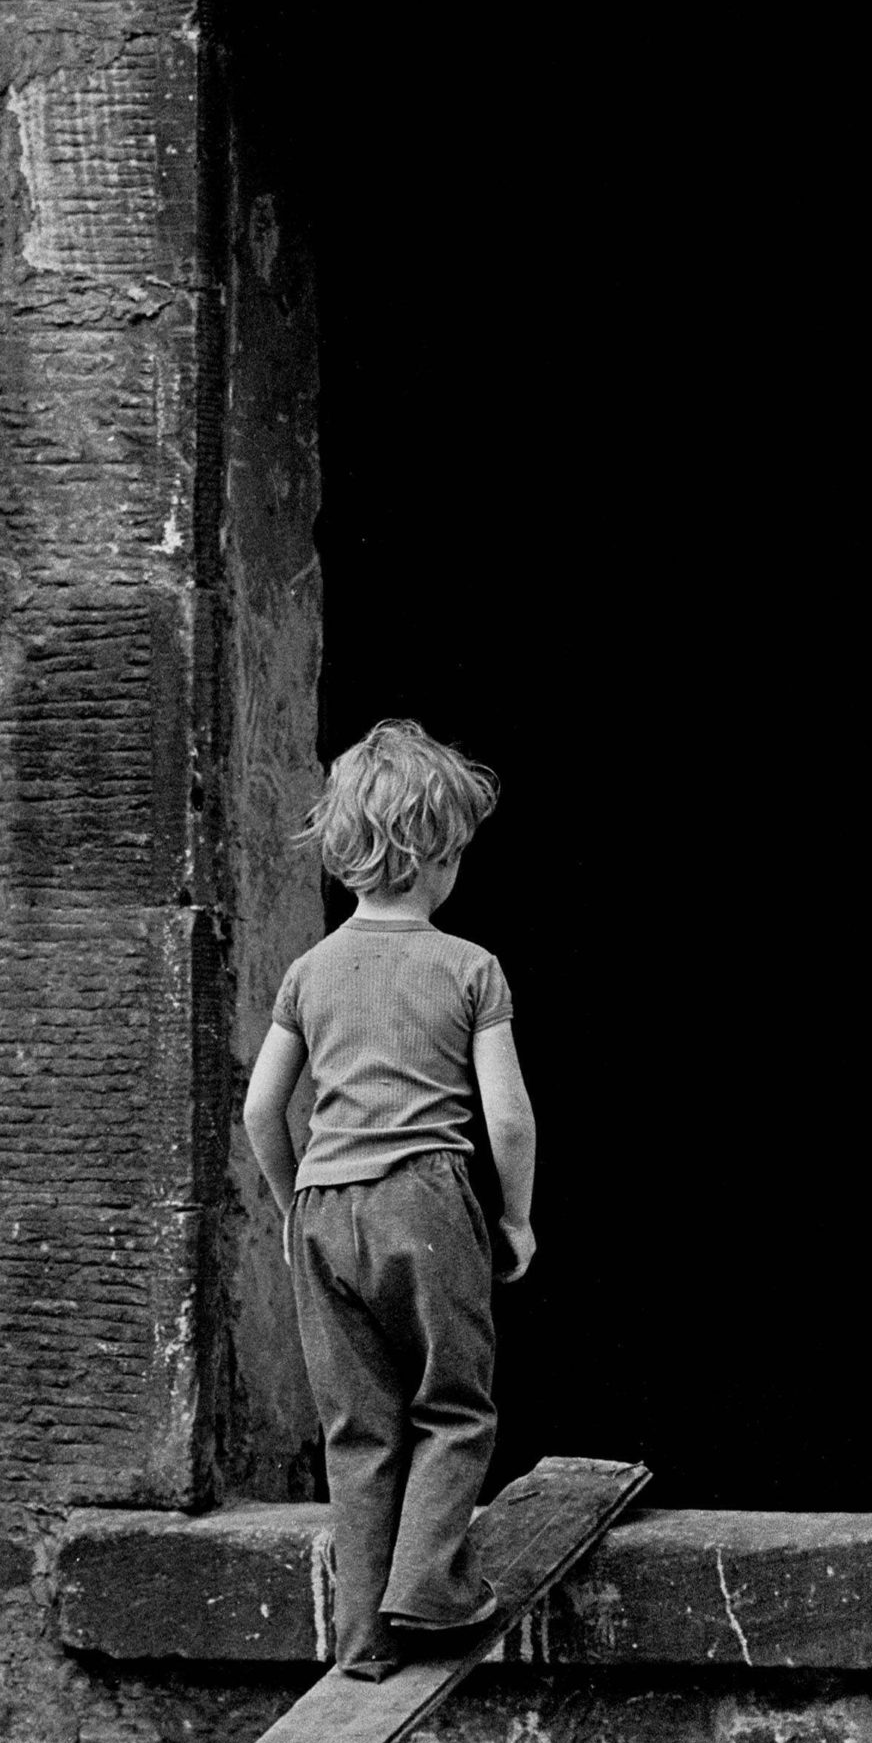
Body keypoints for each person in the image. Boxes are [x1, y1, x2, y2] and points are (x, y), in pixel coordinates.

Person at [243, 719, 537, 1679]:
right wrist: (516, 1215)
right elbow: (509, 1121)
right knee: (453, 1407)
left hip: (326, 1205)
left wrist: (296, 1201)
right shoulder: (469, 967)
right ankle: (430, 1590)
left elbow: (262, 1107)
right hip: (425, 1199)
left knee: (358, 1427)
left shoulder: (310, 970)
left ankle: (365, 1640)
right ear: (442, 855)